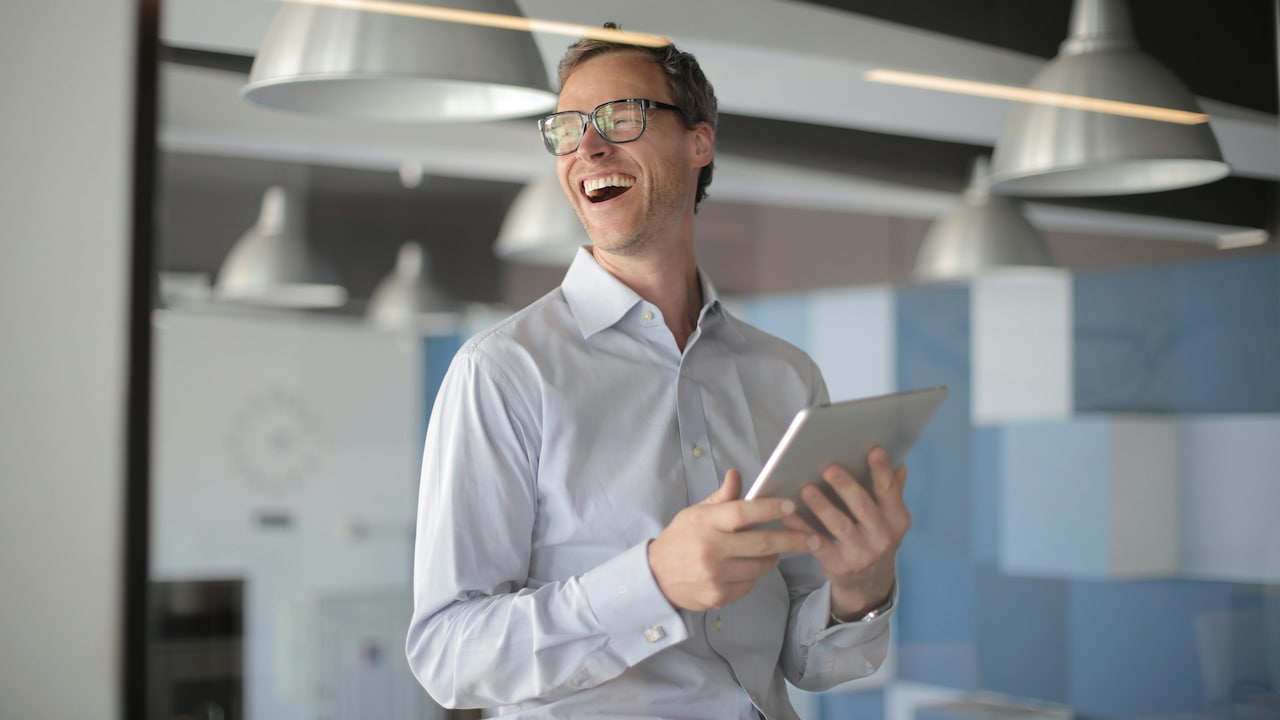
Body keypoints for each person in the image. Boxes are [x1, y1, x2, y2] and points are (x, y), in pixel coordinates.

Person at [406, 26, 910, 719]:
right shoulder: (502, 373)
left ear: (699, 142)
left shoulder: (786, 377)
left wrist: (861, 584)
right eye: (568, 128)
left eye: (620, 116)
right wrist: (651, 582)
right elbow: (448, 654)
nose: (588, 147)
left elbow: (808, 664)